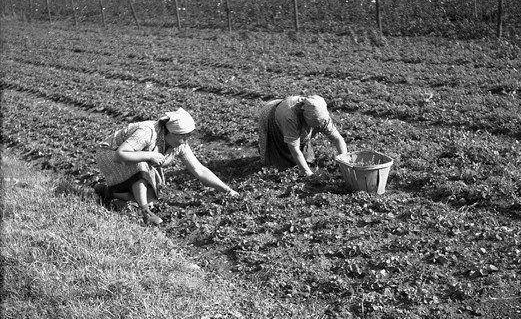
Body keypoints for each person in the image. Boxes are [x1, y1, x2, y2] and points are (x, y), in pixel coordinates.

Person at [94, 108, 238, 225]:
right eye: (183, 136)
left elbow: (199, 170)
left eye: (188, 136)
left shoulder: (179, 144)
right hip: (109, 154)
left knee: (148, 198)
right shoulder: (147, 131)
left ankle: (106, 192)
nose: (186, 141)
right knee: (142, 164)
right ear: (171, 133)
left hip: (132, 162)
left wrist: (227, 190)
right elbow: (121, 154)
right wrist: (150, 155)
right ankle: (146, 214)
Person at [258, 95, 348, 176]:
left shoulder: (322, 116)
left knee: (307, 159)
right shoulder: (290, 117)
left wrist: (345, 163)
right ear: (304, 117)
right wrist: (308, 173)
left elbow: (338, 139)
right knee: (277, 163)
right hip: (270, 115)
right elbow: (294, 148)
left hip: (292, 118)